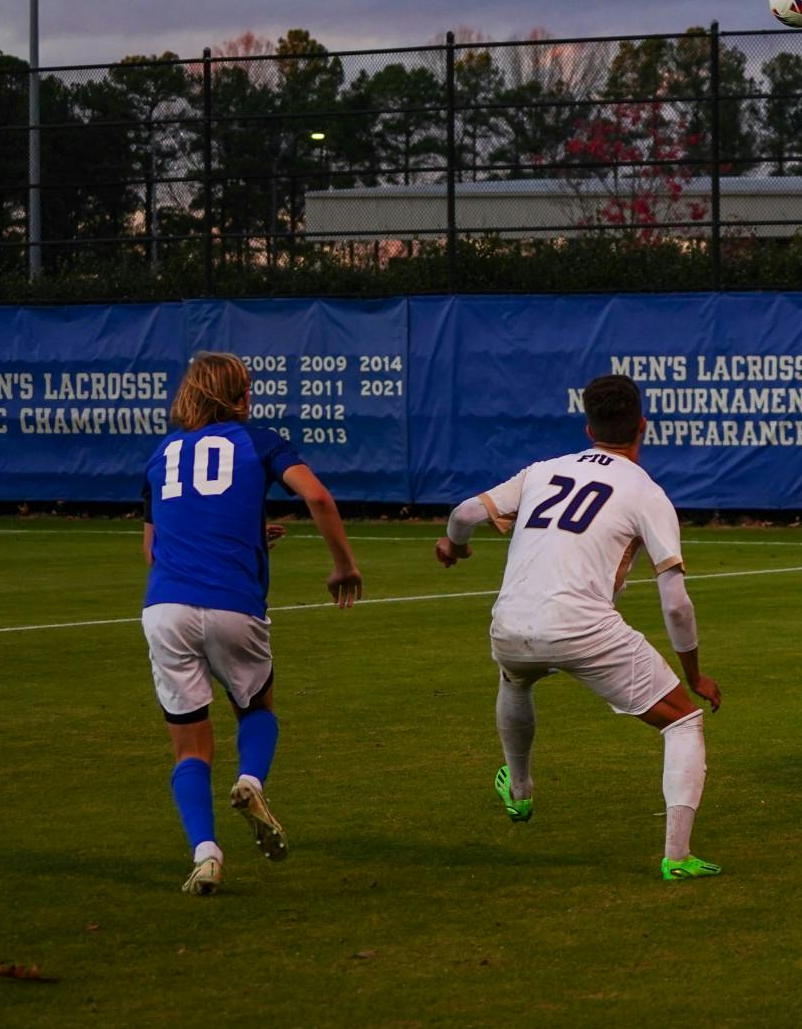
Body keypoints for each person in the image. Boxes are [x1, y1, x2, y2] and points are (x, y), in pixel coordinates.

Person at [435, 373, 724, 882]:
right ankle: (677, 857)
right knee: (683, 722)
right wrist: (695, 674)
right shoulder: (645, 491)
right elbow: (676, 604)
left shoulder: (544, 470)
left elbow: (463, 513)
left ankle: (519, 788)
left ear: (589, 429)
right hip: (583, 626)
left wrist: (454, 547)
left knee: (516, 676)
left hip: (508, 623)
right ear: (643, 426)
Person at [141, 351, 363, 896]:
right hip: (233, 604)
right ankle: (250, 781)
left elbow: (155, 550)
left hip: (165, 607)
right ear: (238, 396)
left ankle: (206, 853)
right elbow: (316, 495)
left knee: (189, 746)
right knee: (256, 708)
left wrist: (240, 535)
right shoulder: (258, 440)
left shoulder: (161, 453)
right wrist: (343, 565)